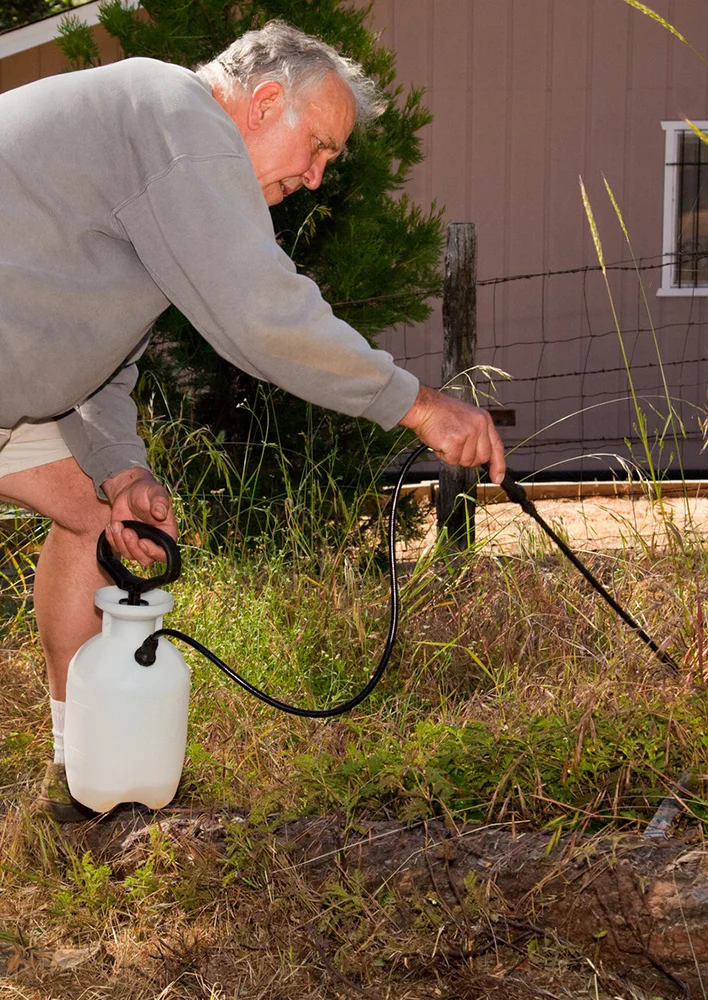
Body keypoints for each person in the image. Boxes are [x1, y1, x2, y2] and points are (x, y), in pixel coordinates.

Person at [0, 21, 505, 821]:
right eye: (318, 147)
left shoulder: (155, 143)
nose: (313, 177)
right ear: (265, 100)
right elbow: (263, 317)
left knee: (98, 514)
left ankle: (78, 780)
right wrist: (416, 404)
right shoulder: (181, 124)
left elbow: (101, 353)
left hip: (19, 377)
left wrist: (122, 467)